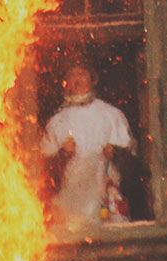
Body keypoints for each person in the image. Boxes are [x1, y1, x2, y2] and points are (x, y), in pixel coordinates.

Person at [41, 62, 134, 227]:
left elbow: (134, 163)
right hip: (70, 210)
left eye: (82, 74)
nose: (77, 80)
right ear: (65, 83)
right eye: (71, 75)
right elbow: (42, 170)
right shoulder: (56, 123)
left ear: (93, 80)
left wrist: (116, 155)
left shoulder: (112, 115)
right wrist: (61, 155)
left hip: (106, 207)